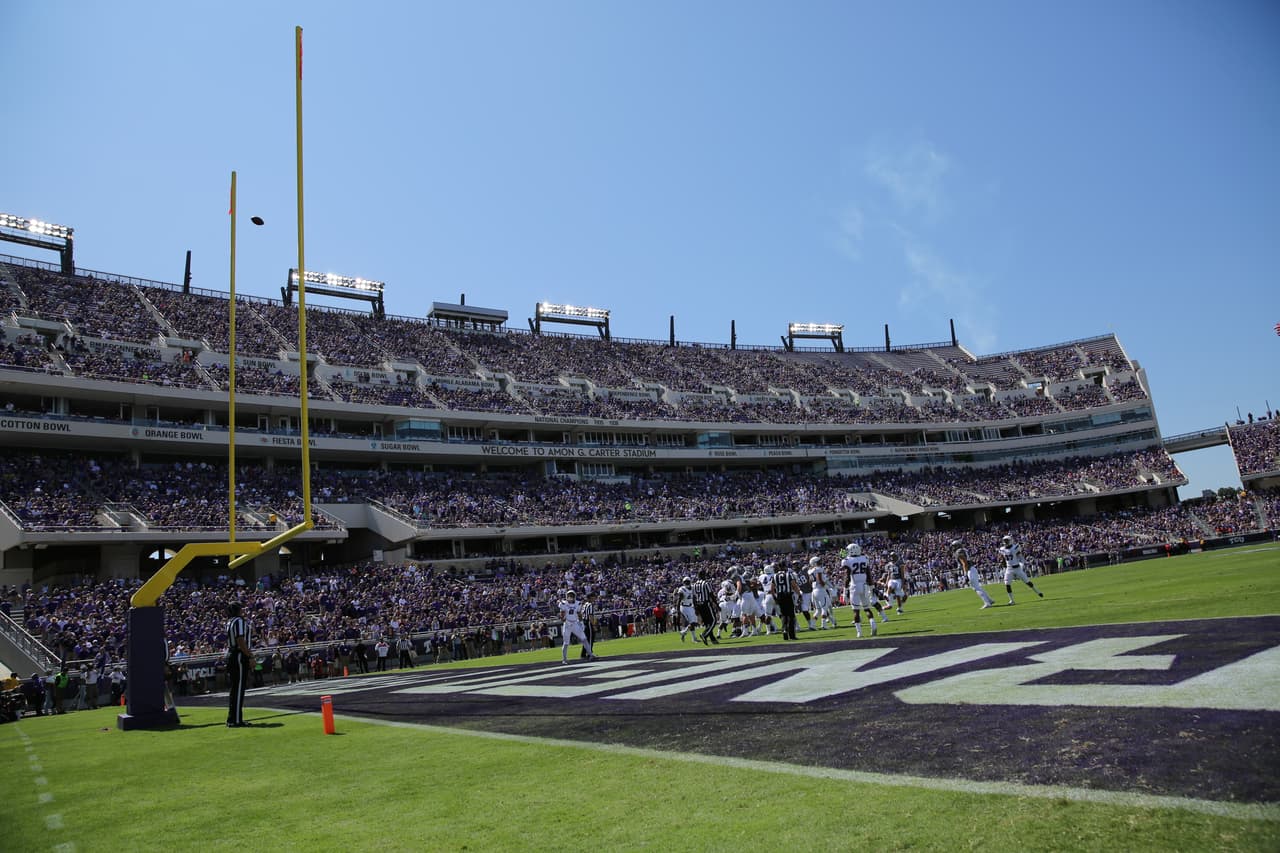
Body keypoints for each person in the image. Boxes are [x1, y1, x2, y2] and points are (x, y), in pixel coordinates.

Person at [225, 601, 252, 728]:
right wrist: (250, 656)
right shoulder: (239, 622)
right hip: (239, 655)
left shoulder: (229, 622)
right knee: (239, 688)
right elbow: (240, 640)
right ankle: (236, 720)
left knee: (235, 688)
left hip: (232, 654)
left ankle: (233, 718)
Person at [997, 535, 1044, 604]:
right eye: (1004, 541)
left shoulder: (1015, 547)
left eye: (1006, 541)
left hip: (1017, 568)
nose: (1005, 542)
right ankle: (1012, 600)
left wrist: (1022, 563)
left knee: (1027, 582)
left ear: (1010, 540)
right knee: (1007, 584)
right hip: (1009, 569)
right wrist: (1001, 561)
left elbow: (1020, 556)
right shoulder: (1002, 549)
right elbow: (1002, 558)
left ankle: (1038, 592)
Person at [953, 540, 994, 609]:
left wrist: (965, 574)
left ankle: (987, 603)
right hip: (972, 569)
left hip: (969, 570)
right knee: (978, 587)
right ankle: (990, 600)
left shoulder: (958, 552)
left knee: (976, 588)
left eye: (954, 546)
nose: (953, 548)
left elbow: (964, 563)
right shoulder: (963, 550)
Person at [558, 590, 595, 664]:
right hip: (567, 624)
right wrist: (563, 619)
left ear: (574, 597)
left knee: (584, 639)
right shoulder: (563, 604)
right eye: (569, 596)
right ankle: (564, 659)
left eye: (572, 596)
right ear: (566, 597)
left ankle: (590, 655)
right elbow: (561, 615)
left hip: (575, 623)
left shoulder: (578, 603)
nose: (570, 598)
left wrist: (581, 622)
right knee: (566, 643)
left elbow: (579, 614)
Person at [773, 560, 799, 640]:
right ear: (785, 566)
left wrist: (775, 598)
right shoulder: (788, 574)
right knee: (791, 615)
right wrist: (799, 594)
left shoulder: (775, 576)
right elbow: (794, 585)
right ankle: (791, 635)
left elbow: (772, 589)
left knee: (784, 615)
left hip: (780, 596)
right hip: (788, 595)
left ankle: (784, 630)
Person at [690, 573, 719, 645]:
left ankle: (712, 639)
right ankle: (704, 635)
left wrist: (695, 608)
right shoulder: (706, 583)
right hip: (706, 604)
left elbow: (693, 597)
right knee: (713, 621)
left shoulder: (694, 585)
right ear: (703, 576)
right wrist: (717, 604)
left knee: (707, 623)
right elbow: (711, 594)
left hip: (699, 605)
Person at [808, 556, 836, 629]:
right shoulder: (818, 569)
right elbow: (820, 580)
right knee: (824, 608)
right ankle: (824, 625)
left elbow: (810, 581)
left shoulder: (810, 571)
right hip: (820, 590)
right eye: (818, 561)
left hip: (814, 591)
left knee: (818, 610)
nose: (820, 562)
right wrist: (825, 586)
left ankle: (812, 625)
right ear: (814, 563)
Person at [674, 577, 698, 642]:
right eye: (685, 582)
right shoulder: (682, 589)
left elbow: (694, 599)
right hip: (684, 607)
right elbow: (679, 600)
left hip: (690, 606)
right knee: (692, 622)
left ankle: (683, 632)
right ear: (683, 582)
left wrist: (696, 608)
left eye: (687, 581)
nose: (686, 583)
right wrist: (678, 611)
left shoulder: (692, 588)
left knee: (695, 623)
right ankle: (694, 638)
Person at [578, 590, 598, 658]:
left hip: (585, 622)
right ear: (591, 597)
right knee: (590, 639)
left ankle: (583, 654)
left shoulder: (585, 605)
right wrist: (594, 625)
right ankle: (590, 653)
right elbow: (590, 616)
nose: (595, 598)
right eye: (594, 597)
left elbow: (580, 614)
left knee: (586, 639)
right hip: (588, 623)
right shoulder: (590, 605)